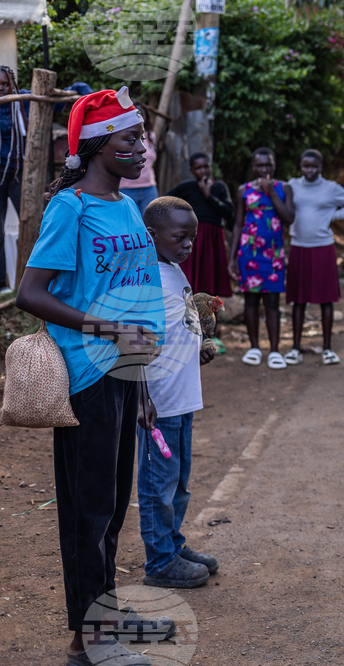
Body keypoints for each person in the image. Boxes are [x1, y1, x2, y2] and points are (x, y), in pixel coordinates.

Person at [16, 86, 174, 666]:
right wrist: (108, 330)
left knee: (111, 504)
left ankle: (105, 616)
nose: (141, 148)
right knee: (88, 510)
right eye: (131, 138)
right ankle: (88, 642)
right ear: (100, 143)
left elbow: (135, 298)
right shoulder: (71, 208)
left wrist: (142, 384)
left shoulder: (126, 207)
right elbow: (31, 293)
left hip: (124, 374)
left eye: (141, 138)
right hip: (85, 375)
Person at [136, 196, 219, 589]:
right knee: (159, 485)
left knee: (179, 482)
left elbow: (178, 326)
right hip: (159, 403)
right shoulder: (144, 279)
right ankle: (159, 562)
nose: (188, 245)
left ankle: (173, 544)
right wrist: (142, 398)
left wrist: (197, 348)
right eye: (180, 237)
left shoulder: (172, 269)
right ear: (151, 235)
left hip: (182, 397)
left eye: (192, 238)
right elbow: (133, 343)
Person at [284, 149, 344, 366]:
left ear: (321, 167)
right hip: (299, 247)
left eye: (314, 166)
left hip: (323, 248)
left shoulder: (330, 188)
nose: (309, 170)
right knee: (298, 300)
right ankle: (295, 349)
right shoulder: (292, 185)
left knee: (326, 299)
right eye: (305, 166)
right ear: (301, 166)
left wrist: (332, 216)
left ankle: (327, 349)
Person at [229, 147, 296, 369]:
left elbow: (289, 217)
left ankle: (275, 350)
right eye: (259, 165)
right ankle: (254, 347)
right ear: (253, 166)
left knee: (272, 302)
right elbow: (238, 225)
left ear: (274, 166)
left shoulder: (284, 188)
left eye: (268, 165)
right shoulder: (243, 190)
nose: (264, 169)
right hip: (249, 254)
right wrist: (232, 258)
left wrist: (271, 192)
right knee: (251, 301)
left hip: (273, 254)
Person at [165, 152, 234, 304]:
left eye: (206, 166)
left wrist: (209, 196)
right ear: (192, 170)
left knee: (210, 278)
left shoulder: (219, 187)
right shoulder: (186, 187)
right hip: (192, 239)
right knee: (188, 279)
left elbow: (229, 213)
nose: (203, 171)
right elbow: (164, 203)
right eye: (198, 168)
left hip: (213, 238)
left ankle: (210, 317)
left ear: (211, 167)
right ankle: (188, 315)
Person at [0, 65, 26, 295]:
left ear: (13, 85)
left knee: (31, 224)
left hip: (19, 172)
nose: (2, 88)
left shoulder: (23, 101)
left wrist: (81, 88)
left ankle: (32, 282)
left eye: (5, 84)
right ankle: (2, 285)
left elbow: (57, 104)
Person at [120, 109, 158, 215]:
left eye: (141, 114)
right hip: (126, 189)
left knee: (151, 221)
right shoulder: (122, 137)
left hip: (149, 188)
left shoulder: (151, 136)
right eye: (136, 114)